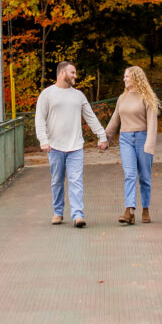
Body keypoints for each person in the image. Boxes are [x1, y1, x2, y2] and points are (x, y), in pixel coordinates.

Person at [34, 61, 107, 228]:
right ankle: (58, 212)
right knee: (57, 181)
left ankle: (78, 215)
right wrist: (43, 140)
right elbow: (39, 119)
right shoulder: (47, 94)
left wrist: (102, 135)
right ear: (62, 73)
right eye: (72, 72)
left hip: (75, 146)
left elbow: (90, 117)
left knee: (76, 180)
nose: (75, 75)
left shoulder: (79, 96)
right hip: (54, 146)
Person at [104, 65, 160, 225]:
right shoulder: (122, 98)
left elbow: (152, 124)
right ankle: (129, 210)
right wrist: (105, 138)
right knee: (129, 174)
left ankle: (146, 208)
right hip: (125, 139)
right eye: (124, 76)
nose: (124, 79)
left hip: (142, 138)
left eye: (127, 76)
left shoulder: (147, 97)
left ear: (136, 77)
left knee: (144, 177)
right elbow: (115, 119)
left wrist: (149, 146)